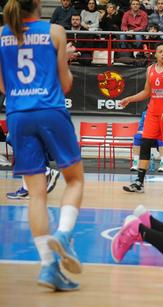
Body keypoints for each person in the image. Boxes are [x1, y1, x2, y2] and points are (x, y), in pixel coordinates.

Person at [0, 0, 84, 291]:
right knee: (74, 180)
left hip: (17, 116)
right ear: (37, 3)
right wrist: (64, 62)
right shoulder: (56, 31)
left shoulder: (1, 34)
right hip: (50, 110)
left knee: (36, 194)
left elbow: (2, 86)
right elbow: (65, 84)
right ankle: (63, 234)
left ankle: (49, 266)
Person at [120, 42, 163, 194]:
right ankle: (139, 183)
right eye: (160, 51)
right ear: (155, 54)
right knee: (145, 144)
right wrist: (130, 98)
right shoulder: (150, 69)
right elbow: (147, 92)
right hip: (153, 112)